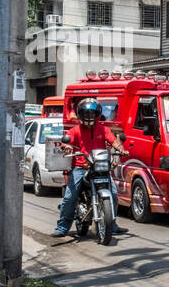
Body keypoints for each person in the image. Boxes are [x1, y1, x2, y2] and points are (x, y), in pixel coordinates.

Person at [53, 98, 126, 238]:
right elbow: (65, 141)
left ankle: (112, 224)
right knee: (70, 197)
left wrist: (121, 148)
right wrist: (67, 147)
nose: (89, 116)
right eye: (86, 114)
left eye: (92, 114)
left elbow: (113, 140)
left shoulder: (103, 129)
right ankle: (62, 227)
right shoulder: (75, 130)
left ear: (97, 114)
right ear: (80, 115)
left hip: (99, 167)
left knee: (115, 194)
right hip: (81, 166)